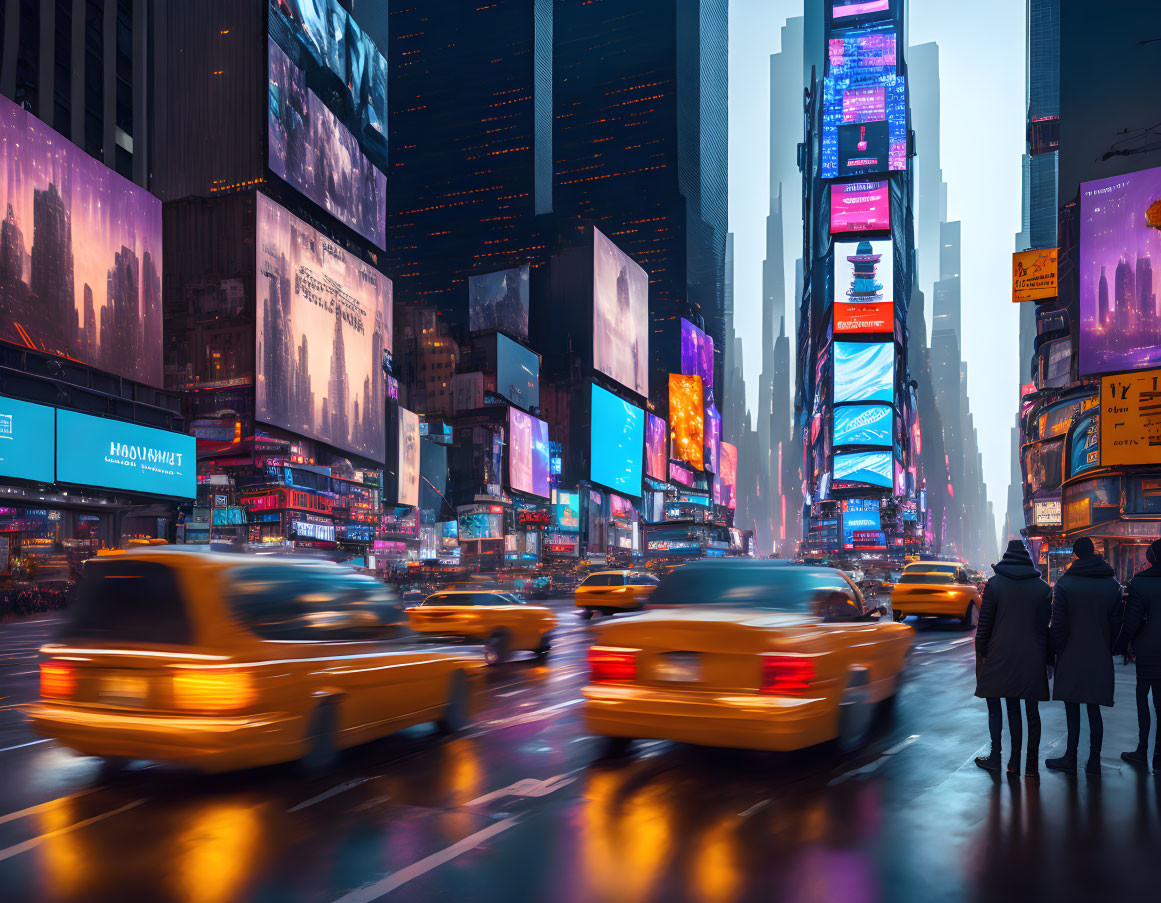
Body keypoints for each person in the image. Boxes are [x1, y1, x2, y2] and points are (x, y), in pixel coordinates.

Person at [974, 540, 1052, 778]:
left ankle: (1007, 761)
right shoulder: (1042, 588)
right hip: (1033, 655)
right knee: (1032, 710)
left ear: (1006, 558)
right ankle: (1030, 764)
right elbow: (1044, 628)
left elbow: (984, 625)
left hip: (1001, 654)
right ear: (1028, 559)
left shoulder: (994, 585)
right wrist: (1048, 659)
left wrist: (982, 652)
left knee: (1009, 708)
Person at [1045, 537, 1124, 774]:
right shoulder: (1112, 585)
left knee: (1072, 707)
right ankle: (1094, 760)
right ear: (1094, 552)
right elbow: (1116, 624)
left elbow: (1058, 626)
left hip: (1070, 654)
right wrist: (1108, 647)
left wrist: (1054, 653)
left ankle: (1070, 756)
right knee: (1094, 708)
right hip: (1099, 654)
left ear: (1076, 555)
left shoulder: (1066, 585)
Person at [1121, 538, 1161, 772]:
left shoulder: (1140, 583)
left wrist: (1120, 644)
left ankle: (1143, 748)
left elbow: (1131, 622)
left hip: (1146, 652)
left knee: (1143, 701)